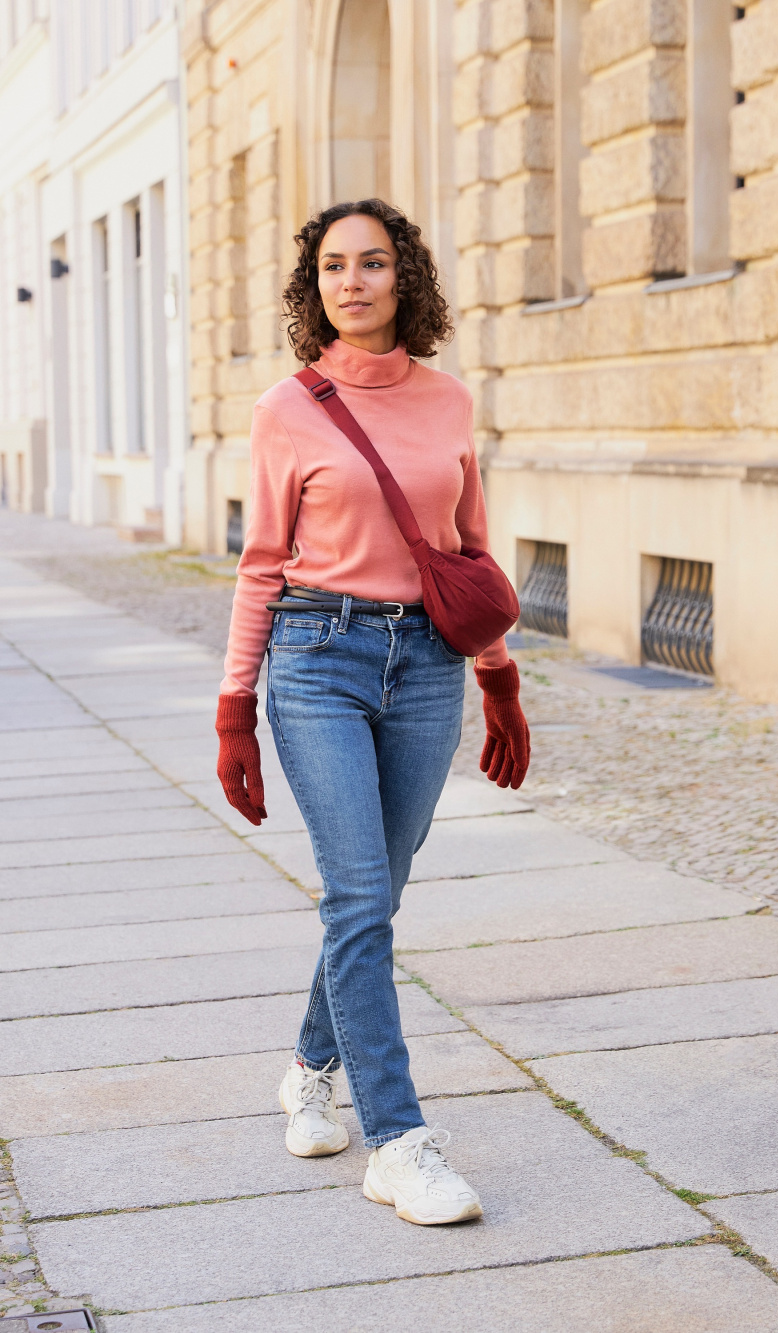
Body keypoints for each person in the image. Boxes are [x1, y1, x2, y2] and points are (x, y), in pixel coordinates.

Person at [214, 198, 531, 1226]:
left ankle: (310, 1066)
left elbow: (466, 547)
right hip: (315, 658)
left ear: (406, 280)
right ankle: (398, 1141)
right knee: (358, 895)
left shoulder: (447, 400)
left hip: (428, 665)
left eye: (375, 263)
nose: (353, 280)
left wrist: (496, 674)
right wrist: (233, 707)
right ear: (316, 287)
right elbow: (261, 563)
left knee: (375, 892)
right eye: (335, 266)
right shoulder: (285, 409)